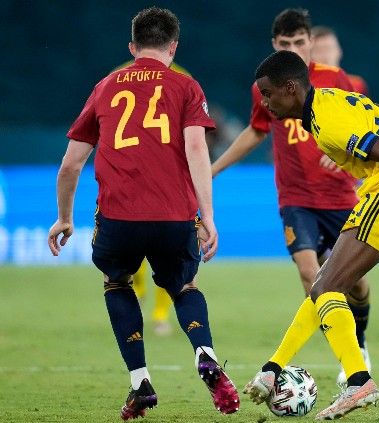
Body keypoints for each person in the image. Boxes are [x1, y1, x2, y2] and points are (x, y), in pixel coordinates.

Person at [46, 7, 239, 419]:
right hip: (174, 215)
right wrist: (208, 216)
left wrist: (64, 217)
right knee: (184, 286)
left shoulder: (105, 86)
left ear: (133, 47)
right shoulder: (186, 87)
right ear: (173, 47)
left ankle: (140, 383)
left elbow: (70, 164)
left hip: (119, 219)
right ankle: (205, 353)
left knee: (116, 282)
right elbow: (196, 149)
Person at [243, 50, 379, 420]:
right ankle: (273, 369)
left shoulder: (327, 118)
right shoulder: (329, 99)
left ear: (291, 89)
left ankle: (358, 380)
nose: (266, 103)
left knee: (325, 288)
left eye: (269, 94)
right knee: (326, 284)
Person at [211, 8, 373, 387]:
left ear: (310, 43)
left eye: (299, 42)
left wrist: (351, 161)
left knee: (357, 284)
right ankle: (350, 363)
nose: (293, 49)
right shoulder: (264, 86)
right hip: (296, 198)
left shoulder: (335, 80)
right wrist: (215, 168)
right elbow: (256, 130)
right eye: (285, 44)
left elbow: (366, 124)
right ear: (274, 45)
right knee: (310, 274)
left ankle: (359, 343)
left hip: (340, 198)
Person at [311, 25, 369, 95]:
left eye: (329, 49)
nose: (325, 56)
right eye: (319, 50)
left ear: (339, 51)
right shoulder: (306, 87)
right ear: (309, 56)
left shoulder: (357, 84)